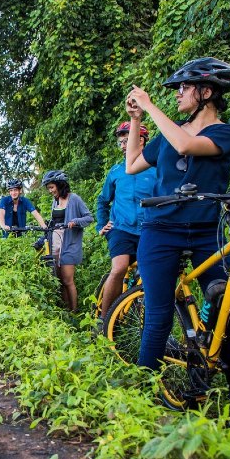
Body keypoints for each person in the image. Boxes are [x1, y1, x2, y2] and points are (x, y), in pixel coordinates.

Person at [123, 57, 230, 422]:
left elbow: (187, 146)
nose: (178, 94)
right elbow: (132, 164)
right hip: (161, 230)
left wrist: (149, 105)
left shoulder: (226, 133)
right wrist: (136, 119)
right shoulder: (170, 132)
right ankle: (142, 403)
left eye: (184, 88)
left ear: (206, 92)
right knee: (158, 315)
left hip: (207, 231)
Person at [95, 122, 156, 320]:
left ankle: (142, 319)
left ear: (141, 140)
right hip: (121, 228)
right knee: (119, 268)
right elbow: (103, 200)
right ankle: (104, 321)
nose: (122, 146)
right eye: (120, 142)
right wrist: (101, 225)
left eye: (126, 141)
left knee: (149, 273)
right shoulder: (116, 171)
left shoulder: (156, 169)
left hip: (149, 228)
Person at [41, 170, 94, 311]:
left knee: (67, 280)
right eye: (48, 188)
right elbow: (55, 220)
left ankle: (74, 311)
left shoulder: (74, 199)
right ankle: (66, 312)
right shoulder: (55, 201)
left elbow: (89, 218)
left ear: (60, 185)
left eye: (52, 187)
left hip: (69, 244)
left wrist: (75, 221)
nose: (50, 191)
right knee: (59, 281)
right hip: (56, 243)